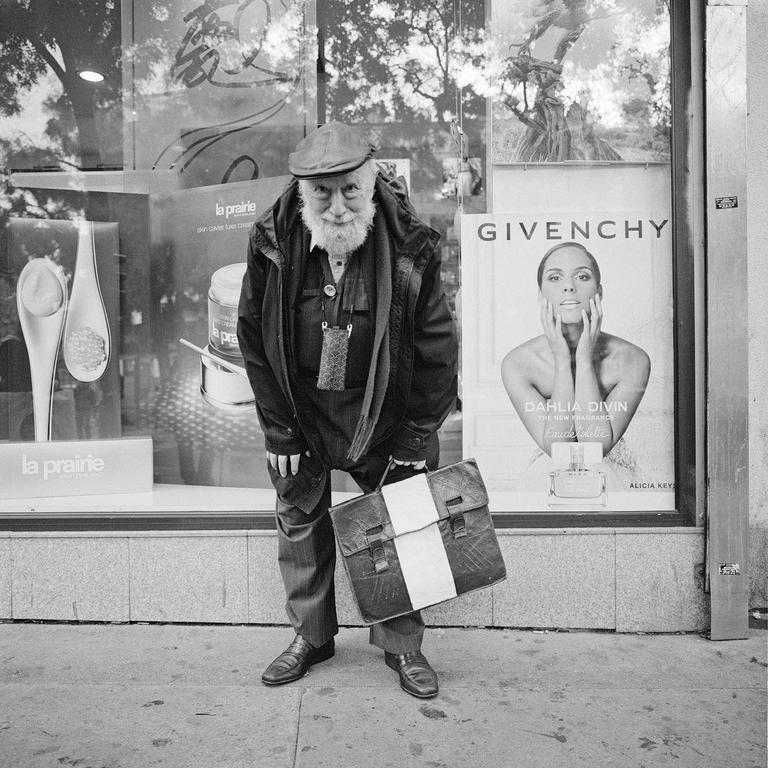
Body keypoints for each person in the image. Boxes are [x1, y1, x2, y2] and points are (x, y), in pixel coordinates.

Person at [237, 122, 458, 698]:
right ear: (301, 191)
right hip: (302, 412)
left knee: (397, 529)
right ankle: (312, 637)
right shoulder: (270, 240)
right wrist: (280, 430)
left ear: (372, 178)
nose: (337, 208)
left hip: (387, 414)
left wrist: (413, 444)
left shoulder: (412, 246)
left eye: (350, 192)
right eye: (322, 195)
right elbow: (253, 340)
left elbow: (437, 351)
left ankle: (403, 648)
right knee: (299, 522)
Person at [501, 242, 650, 473]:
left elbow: (595, 448)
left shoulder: (633, 359)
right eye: (554, 278)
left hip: (613, 475)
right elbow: (560, 449)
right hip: (550, 474)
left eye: (582, 276)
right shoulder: (517, 364)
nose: (569, 287)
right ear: (541, 295)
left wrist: (584, 361)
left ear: (599, 292)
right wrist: (563, 362)